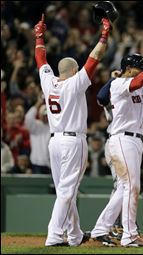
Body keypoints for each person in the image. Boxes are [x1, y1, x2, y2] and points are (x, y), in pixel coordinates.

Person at [34, 13, 111, 246]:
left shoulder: (49, 82)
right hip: (72, 142)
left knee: (64, 191)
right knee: (67, 191)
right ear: (73, 70)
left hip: (54, 142)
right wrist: (104, 34)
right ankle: (54, 236)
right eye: (77, 69)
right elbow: (94, 58)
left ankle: (75, 234)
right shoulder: (75, 83)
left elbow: (41, 59)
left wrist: (39, 36)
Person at [90, 46, 143, 247]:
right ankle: (129, 235)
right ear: (128, 68)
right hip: (121, 139)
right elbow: (139, 81)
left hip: (135, 140)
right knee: (132, 187)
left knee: (123, 189)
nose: (142, 70)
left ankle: (100, 229)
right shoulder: (118, 83)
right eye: (139, 67)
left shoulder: (138, 87)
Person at [24, 95, 51, 174]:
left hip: (49, 164)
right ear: (39, 114)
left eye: (47, 115)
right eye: (44, 114)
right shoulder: (35, 126)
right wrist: (38, 103)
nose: (45, 117)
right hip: (36, 163)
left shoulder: (53, 126)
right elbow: (28, 117)